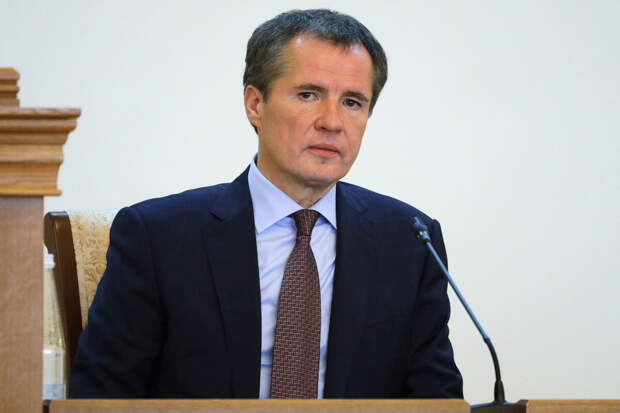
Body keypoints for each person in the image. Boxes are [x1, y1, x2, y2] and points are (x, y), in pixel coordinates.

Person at [69, 9, 463, 399]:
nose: (332, 121)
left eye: (352, 102)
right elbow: (99, 398)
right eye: (309, 95)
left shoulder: (411, 242)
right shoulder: (158, 237)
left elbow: (436, 398)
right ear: (255, 104)